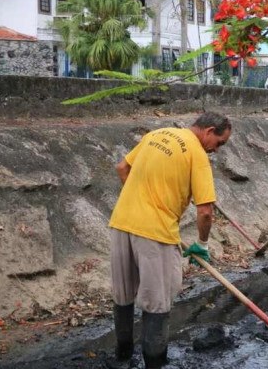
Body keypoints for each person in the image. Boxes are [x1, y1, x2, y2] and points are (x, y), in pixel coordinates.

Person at [108, 112, 232, 368]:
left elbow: (122, 167)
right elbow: (205, 211)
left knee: (123, 296)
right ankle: (154, 362)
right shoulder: (197, 154)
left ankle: (122, 357)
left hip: (121, 223)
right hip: (155, 233)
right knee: (157, 302)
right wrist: (203, 244)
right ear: (208, 131)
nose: (216, 150)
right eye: (219, 143)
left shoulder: (156, 135)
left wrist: (139, 199)